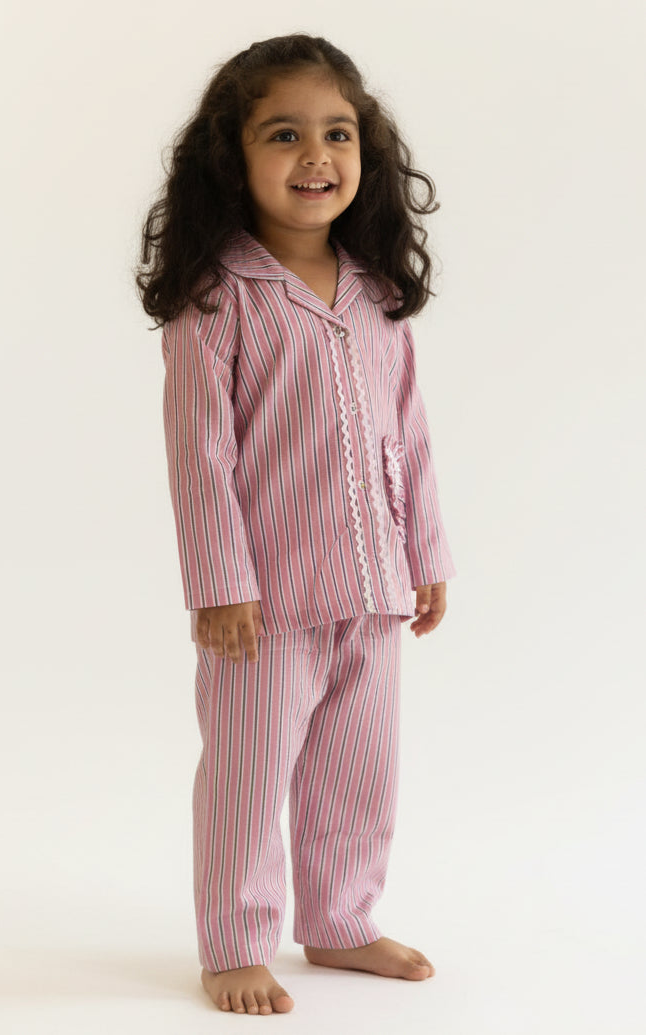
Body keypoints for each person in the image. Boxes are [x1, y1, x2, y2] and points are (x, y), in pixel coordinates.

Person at [135, 32, 457, 1017]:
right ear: (235, 158)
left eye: (338, 134)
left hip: (372, 589)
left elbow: (411, 433)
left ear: (368, 154)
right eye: (285, 135)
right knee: (245, 775)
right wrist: (219, 581)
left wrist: (428, 553)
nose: (316, 157)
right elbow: (202, 452)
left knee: (362, 768)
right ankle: (235, 940)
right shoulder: (218, 296)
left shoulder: (375, 295)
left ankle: (342, 919)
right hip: (263, 603)